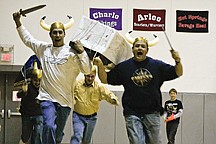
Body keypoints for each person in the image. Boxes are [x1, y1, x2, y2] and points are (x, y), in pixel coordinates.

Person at [13, 10, 92, 144]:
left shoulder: (71, 53)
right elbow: (28, 39)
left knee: (58, 134)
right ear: (50, 34)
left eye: (60, 32)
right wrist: (18, 22)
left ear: (64, 34)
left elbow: (86, 70)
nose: (57, 35)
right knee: (48, 126)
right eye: (54, 32)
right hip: (47, 99)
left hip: (65, 101)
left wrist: (82, 52)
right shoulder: (43, 49)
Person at [93, 36, 183, 144]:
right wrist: (100, 66)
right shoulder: (124, 67)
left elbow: (178, 73)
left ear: (147, 50)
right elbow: (105, 79)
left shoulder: (157, 66)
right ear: (133, 49)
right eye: (137, 46)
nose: (140, 48)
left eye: (143, 46)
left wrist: (177, 60)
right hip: (132, 113)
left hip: (152, 112)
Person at [70, 66, 119, 144]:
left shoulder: (98, 87)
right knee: (77, 136)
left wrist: (113, 99)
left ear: (95, 76)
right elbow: (69, 94)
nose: (90, 79)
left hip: (92, 118)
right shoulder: (77, 84)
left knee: (86, 141)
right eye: (88, 76)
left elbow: (108, 94)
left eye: (92, 76)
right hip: (78, 116)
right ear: (84, 75)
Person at [16, 59, 43, 144]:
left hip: (39, 114)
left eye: (39, 80)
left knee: (38, 134)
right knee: (25, 136)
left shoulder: (44, 88)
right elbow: (18, 95)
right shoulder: (26, 85)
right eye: (35, 80)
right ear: (31, 79)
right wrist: (23, 92)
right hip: (27, 114)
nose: (37, 82)